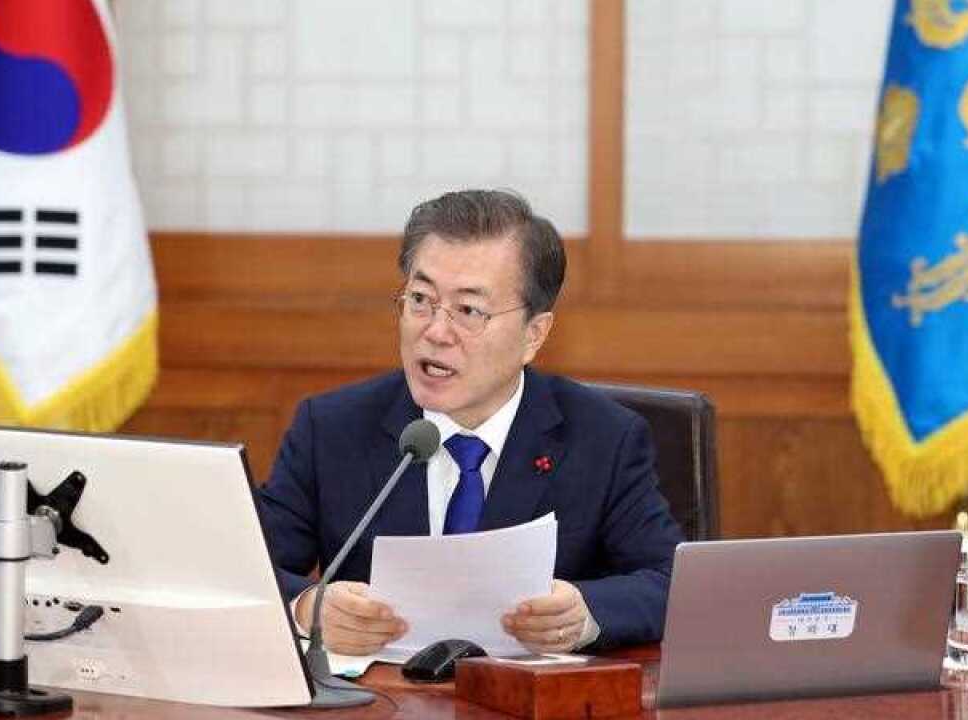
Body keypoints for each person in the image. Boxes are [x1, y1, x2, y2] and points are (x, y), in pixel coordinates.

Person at [259, 189, 683, 655]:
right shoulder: (332, 428)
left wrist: (585, 612)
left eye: (468, 310)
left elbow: (672, 583)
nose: (436, 332)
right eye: (420, 299)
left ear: (533, 335)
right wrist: (306, 608)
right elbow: (245, 570)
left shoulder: (603, 438)